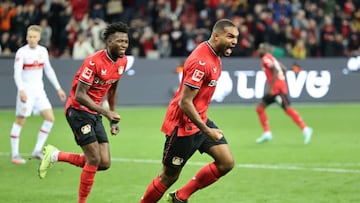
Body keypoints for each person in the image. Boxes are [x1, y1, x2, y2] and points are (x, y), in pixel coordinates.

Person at [140, 19, 239, 203]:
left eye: (236, 38)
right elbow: (184, 102)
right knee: (168, 176)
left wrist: (204, 127)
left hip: (199, 119)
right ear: (216, 35)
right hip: (182, 125)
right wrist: (207, 130)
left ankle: (180, 197)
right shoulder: (201, 62)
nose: (234, 41)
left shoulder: (215, 55)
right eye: (230, 36)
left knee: (226, 162)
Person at [38, 22, 130, 203]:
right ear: (109, 42)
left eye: (126, 41)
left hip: (95, 113)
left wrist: (113, 117)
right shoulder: (93, 61)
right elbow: (80, 95)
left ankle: (56, 155)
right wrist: (105, 112)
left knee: (104, 163)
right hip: (78, 110)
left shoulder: (123, 61)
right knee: (94, 159)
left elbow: (113, 89)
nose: (124, 45)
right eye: (120, 41)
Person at [10, 25, 67, 164]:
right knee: (20, 121)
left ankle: (36, 150)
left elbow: (48, 70)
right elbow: (17, 73)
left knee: (50, 118)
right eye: (29, 37)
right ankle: (15, 155)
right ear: (26, 37)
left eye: (34, 37)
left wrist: (58, 88)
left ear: (39, 38)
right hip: (26, 92)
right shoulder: (21, 52)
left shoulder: (43, 51)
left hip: (39, 92)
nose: (32, 39)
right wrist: (21, 90)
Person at [255, 43, 313, 144]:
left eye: (260, 49)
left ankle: (305, 129)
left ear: (264, 50)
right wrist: (281, 81)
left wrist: (273, 87)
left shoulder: (266, 58)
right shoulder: (272, 58)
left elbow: (276, 71)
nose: (258, 51)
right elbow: (284, 69)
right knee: (260, 108)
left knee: (287, 109)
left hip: (277, 90)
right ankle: (267, 133)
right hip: (277, 88)